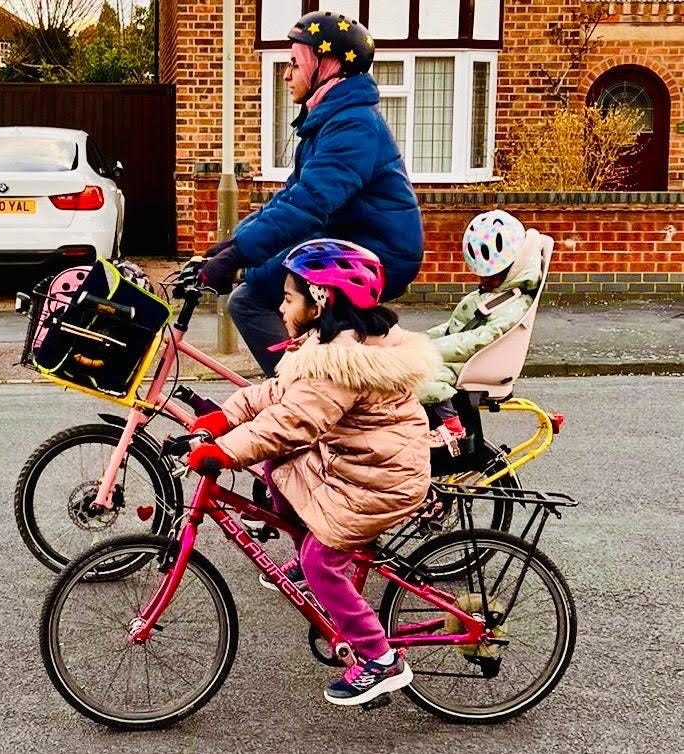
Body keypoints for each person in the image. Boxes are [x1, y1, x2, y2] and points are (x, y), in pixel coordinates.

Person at [184, 239, 440, 706]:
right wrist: (223, 418)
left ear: (320, 299)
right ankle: (307, 560)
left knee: (324, 561)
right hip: (356, 464)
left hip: (380, 479)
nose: (281, 306)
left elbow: (293, 421)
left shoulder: (340, 364)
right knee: (278, 465)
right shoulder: (328, 344)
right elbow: (277, 394)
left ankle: (380, 660)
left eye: (288, 297)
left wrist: (223, 453)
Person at [198, 10, 424, 376]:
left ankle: (300, 390)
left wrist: (241, 256)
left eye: (294, 63)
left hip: (378, 254)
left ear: (326, 65)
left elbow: (309, 205)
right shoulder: (328, 120)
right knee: (261, 288)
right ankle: (318, 385)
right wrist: (233, 246)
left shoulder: (352, 125)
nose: (287, 74)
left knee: (250, 298)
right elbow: (290, 196)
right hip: (346, 242)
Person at [417, 210, 543, 449]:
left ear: (513, 268)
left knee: (415, 375)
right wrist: (417, 341)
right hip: (465, 357)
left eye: (491, 276)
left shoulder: (511, 305)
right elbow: (454, 329)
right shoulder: (499, 295)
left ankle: (452, 425)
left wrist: (428, 348)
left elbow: (481, 338)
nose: (483, 282)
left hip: (470, 362)